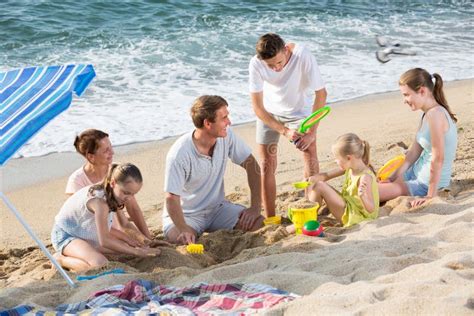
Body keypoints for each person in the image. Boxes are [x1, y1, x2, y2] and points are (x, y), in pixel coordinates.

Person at [163, 95, 264, 244]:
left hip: (217, 209)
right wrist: (183, 228)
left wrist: (255, 208)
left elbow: (252, 166)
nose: (229, 122)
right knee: (182, 240)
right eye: (224, 118)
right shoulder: (179, 153)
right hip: (187, 215)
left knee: (259, 224)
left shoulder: (227, 136)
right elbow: (171, 198)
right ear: (208, 123)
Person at [249, 33, 328, 218]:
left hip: (298, 112)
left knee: (310, 151)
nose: (276, 68)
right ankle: (271, 218)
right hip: (268, 114)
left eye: (278, 62)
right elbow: (257, 108)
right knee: (267, 163)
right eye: (270, 65)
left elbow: (321, 94)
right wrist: (284, 131)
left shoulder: (303, 55)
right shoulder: (256, 63)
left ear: (286, 50)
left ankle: (312, 209)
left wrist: (311, 132)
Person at [51, 163, 161, 272]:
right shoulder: (100, 202)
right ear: (113, 183)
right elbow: (104, 240)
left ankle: (86, 250)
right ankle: (60, 259)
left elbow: (106, 227)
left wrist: (135, 241)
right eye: (126, 193)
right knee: (100, 265)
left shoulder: (112, 193)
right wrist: (137, 252)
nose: (129, 198)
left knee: (126, 246)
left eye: (133, 194)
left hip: (85, 231)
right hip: (66, 234)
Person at [378, 68, 458, 208]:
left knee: (369, 193)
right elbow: (413, 154)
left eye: (406, 95)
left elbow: (438, 159)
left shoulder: (436, 115)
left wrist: (430, 195)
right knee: (374, 185)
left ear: (422, 91)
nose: (405, 100)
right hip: (414, 173)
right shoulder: (426, 114)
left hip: (425, 184)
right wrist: (392, 178)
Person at [66, 129, 152, 240]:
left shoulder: (117, 171)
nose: (112, 152)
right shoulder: (77, 181)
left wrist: (148, 237)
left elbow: (133, 208)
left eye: (111, 147)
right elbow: (81, 222)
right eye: (106, 150)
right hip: (95, 237)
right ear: (91, 156)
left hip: (121, 231)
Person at [301, 133, 379, 228]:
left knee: (320, 186)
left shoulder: (365, 177)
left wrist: (363, 197)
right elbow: (326, 176)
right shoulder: (350, 167)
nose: (335, 161)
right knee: (317, 184)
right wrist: (312, 179)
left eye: (337, 158)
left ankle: (304, 221)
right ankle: (307, 215)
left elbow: (371, 209)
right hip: (349, 206)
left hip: (357, 217)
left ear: (348, 158)